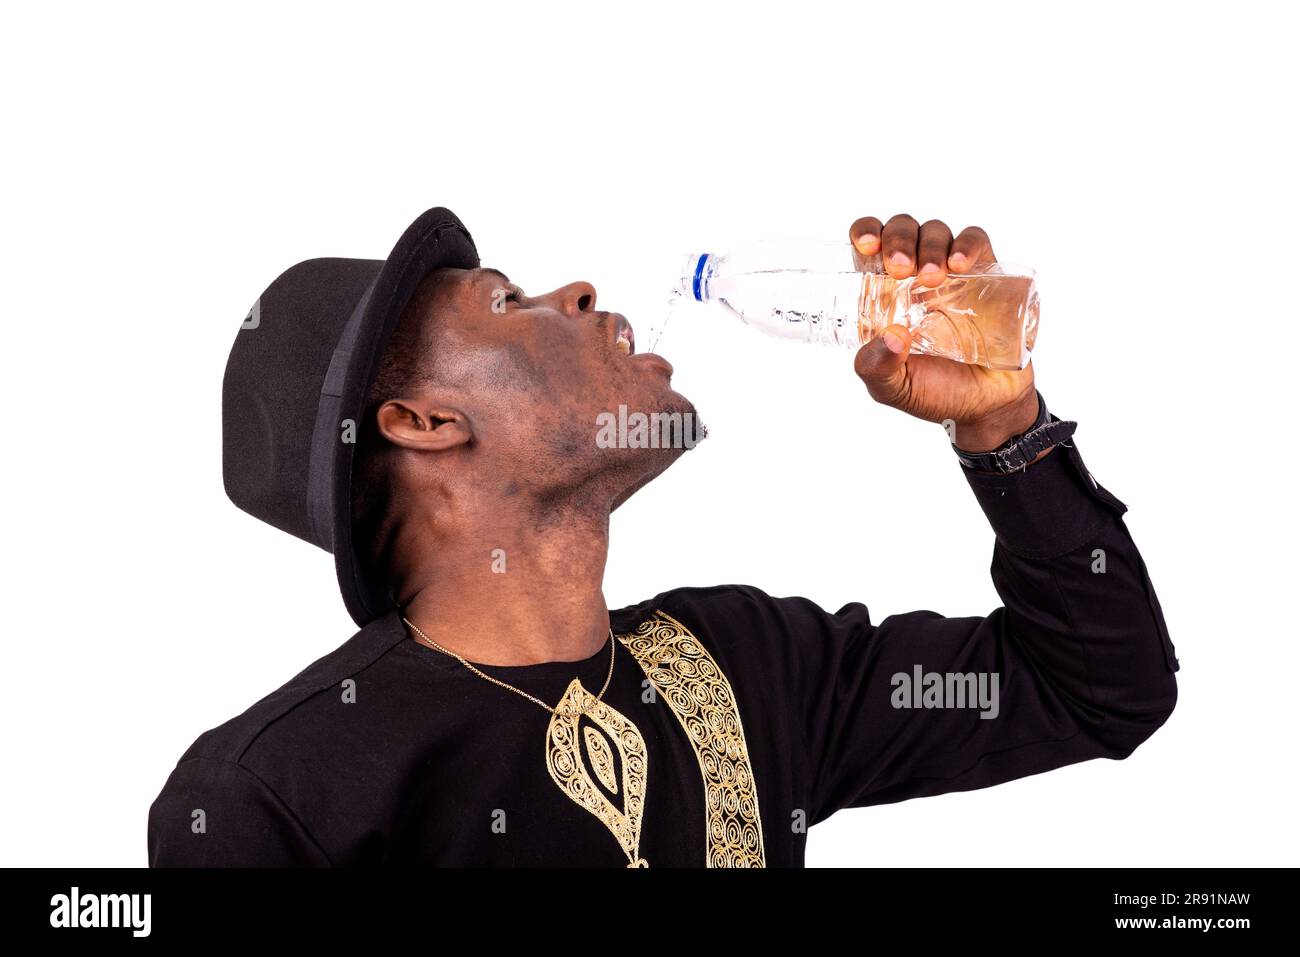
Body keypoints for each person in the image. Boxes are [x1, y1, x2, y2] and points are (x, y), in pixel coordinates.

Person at [147, 208, 1178, 867]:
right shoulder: (276, 793)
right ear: (422, 424)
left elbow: (1097, 689)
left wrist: (1002, 429)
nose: (581, 293)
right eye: (504, 300)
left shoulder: (750, 665)